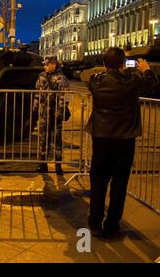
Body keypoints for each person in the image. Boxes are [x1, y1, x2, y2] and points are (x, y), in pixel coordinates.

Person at [86, 47, 158, 239]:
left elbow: (88, 77)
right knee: (119, 184)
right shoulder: (132, 81)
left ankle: (94, 223)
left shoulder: (96, 81)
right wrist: (146, 69)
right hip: (125, 139)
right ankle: (112, 225)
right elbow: (154, 87)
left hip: (101, 137)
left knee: (98, 180)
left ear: (103, 64)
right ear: (123, 64)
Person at [33, 56, 70, 175]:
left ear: (53, 64)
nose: (44, 66)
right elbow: (38, 92)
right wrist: (36, 106)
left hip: (55, 113)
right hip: (44, 113)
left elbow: (64, 97)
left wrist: (60, 112)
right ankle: (42, 164)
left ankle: (58, 165)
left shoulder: (61, 78)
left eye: (46, 64)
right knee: (43, 138)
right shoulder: (42, 76)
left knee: (56, 140)